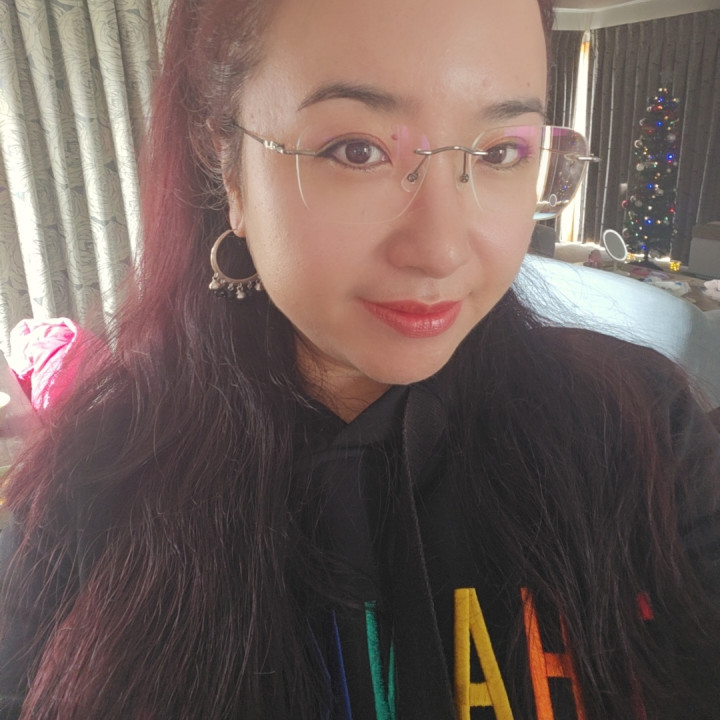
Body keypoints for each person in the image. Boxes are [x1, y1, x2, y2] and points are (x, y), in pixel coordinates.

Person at [1, 0, 719, 717]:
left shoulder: (645, 430)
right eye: (357, 150)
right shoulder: (89, 498)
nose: (441, 250)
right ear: (228, 165)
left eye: (499, 153)